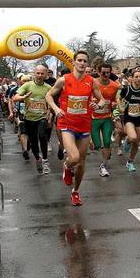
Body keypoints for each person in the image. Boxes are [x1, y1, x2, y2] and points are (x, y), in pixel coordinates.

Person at [45, 51, 107, 206]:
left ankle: (76, 191)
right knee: (74, 158)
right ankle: (67, 166)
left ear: (87, 64)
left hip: (84, 125)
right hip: (67, 124)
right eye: (79, 60)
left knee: (81, 162)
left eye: (84, 61)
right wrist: (56, 108)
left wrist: (97, 105)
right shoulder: (63, 80)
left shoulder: (91, 81)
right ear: (73, 62)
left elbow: (102, 100)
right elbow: (48, 95)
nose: (82, 63)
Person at [12, 65, 52, 174]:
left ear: (46, 75)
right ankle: (38, 159)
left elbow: (52, 103)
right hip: (29, 118)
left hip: (42, 118)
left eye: (42, 73)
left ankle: (45, 160)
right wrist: (23, 97)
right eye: (37, 73)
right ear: (34, 73)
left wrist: (49, 113)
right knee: (33, 141)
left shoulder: (48, 88)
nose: (39, 75)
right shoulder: (27, 85)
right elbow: (14, 98)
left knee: (42, 135)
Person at [91, 64, 121, 177]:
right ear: (99, 72)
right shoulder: (93, 83)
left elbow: (114, 100)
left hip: (107, 118)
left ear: (110, 73)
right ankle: (103, 152)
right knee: (97, 145)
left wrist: (113, 105)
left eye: (107, 72)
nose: (105, 75)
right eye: (103, 72)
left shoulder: (114, 85)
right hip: (94, 118)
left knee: (107, 142)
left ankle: (103, 166)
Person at [118, 70, 140, 172]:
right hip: (128, 118)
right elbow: (119, 98)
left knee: (136, 142)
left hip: (139, 118)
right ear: (132, 78)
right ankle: (127, 139)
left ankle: (130, 162)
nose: (138, 78)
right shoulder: (127, 89)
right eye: (136, 76)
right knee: (133, 137)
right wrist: (120, 107)